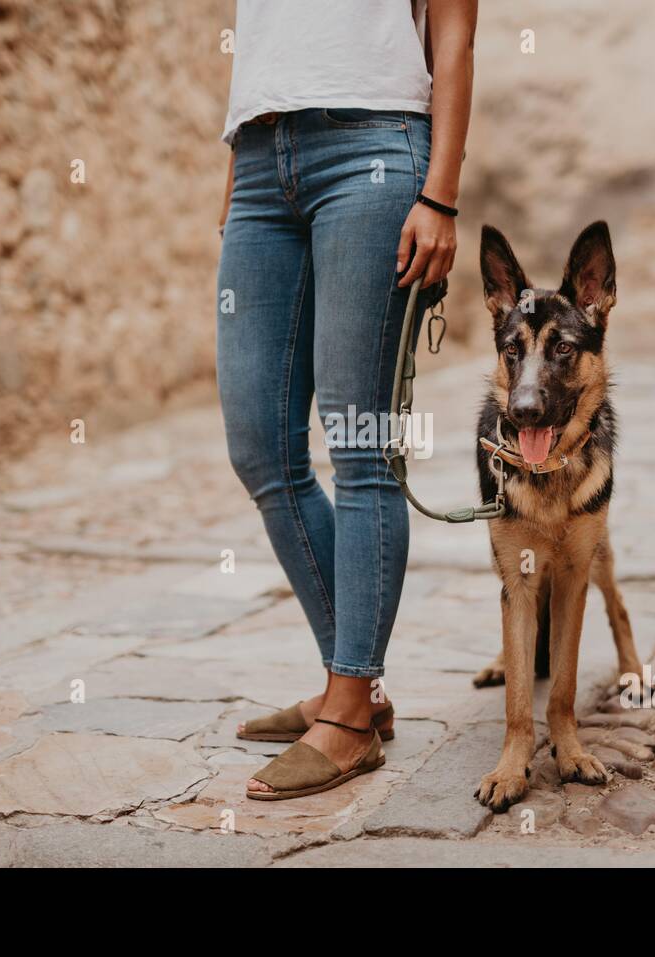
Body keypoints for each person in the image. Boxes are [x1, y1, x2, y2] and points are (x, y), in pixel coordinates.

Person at [215, 0, 478, 800]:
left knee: (360, 448)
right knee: (260, 447)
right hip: (261, 159)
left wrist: (441, 194)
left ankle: (352, 712)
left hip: (373, 147)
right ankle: (355, 685)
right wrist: (237, 180)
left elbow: (456, 32)